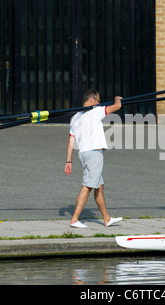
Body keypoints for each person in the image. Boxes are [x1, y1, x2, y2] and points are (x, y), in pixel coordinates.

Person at [64, 90, 123, 228]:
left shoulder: (75, 118)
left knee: (99, 187)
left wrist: (68, 161)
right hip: (94, 154)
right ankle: (74, 219)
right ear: (92, 100)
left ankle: (107, 218)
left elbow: (71, 141)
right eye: (98, 100)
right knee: (88, 186)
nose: (99, 103)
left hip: (83, 154)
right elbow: (117, 106)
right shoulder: (95, 111)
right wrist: (117, 98)